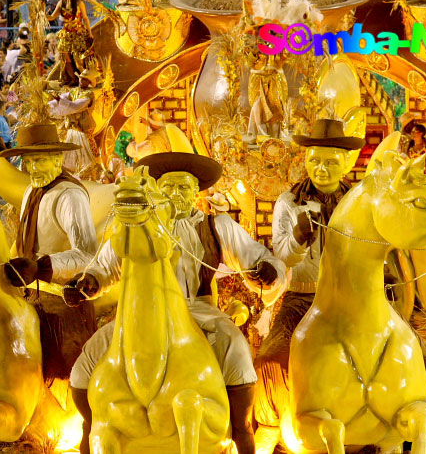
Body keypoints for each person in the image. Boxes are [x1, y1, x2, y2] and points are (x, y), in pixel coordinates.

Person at [66, 125, 286, 454]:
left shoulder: (215, 225)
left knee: (237, 348)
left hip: (200, 311)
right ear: (159, 191)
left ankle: (241, 430)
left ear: (197, 191)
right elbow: (106, 265)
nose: (177, 195)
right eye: (169, 187)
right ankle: (89, 427)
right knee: (87, 359)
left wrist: (267, 272)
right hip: (142, 316)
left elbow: (256, 257)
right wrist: (89, 283)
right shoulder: (138, 226)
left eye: (185, 188)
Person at [255, 119, 366, 448]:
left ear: (346, 162)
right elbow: (283, 258)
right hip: (302, 300)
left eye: (331, 162)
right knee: (269, 360)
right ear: (305, 159)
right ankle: (272, 421)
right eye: (315, 160)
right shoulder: (289, 202)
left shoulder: (358, 200)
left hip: (350, 300)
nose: (322, 169)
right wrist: (300, 238)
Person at [0, 122, 100, 385]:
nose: (32, 169)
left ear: (58, 158)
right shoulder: (32, 191)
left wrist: (42, 267)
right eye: (28, 162)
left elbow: (88, 255)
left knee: (64, 375)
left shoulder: (70, 197)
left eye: (39, 161)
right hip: (29, 296)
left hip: (62, 304)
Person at [48, 68, 99, 177]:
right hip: (72, 129)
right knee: (70, 153)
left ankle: (87, 175)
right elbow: (63, 99)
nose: (81, 81)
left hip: (83, 129)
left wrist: (59, 100)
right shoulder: (74, 91)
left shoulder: (89, 95)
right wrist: (48, 106)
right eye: (81, 78)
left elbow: (76, 106)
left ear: (89, 83)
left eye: (84, 80)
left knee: (85, 155)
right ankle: (72, 173)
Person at [47, 0, 93, 85]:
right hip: (66, 36)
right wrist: (41, 14)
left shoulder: (80, 3)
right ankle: (73, 79)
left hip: (78, 35)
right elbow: (52, 17)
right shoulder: (61, 3)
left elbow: (85, 18)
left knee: (78, 62)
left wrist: (90, 33)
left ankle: (87, 80)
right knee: (66, 60)